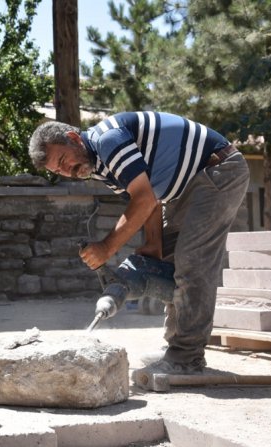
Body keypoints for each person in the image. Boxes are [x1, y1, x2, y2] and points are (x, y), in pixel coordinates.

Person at [28, 112, 249, 375]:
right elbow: (149, 200)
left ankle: (186, 356)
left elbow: (143, 199)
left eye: (63, 161)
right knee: (169, 263)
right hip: (187, 188)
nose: (67, 172)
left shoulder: (107, 140)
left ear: (74, 138)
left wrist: (107, 248)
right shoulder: (98, 166)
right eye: (59, 171)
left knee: (192, 263)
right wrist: (154, 246)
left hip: (218, 170)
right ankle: (176, 347)